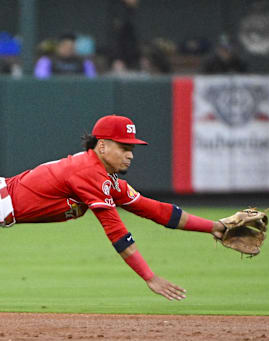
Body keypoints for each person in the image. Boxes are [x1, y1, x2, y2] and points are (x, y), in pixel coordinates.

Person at [0, 115, 226, 301]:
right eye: (124, 147)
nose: (130, 155)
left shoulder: (104, 176)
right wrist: (149, 276)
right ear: (102, 145)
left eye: (132, 148)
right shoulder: (89, 172)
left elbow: (154, 210)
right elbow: (116, 232)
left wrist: (215, 227)